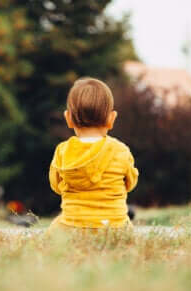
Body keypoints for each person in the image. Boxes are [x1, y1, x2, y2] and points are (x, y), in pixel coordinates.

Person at [48, 78, 139, 232]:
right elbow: (130, 183)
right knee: (127, 227)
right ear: (112, 118)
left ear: (68, 118)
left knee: (54, 230)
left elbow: (56, 186)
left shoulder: (62, 151)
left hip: (73, 228)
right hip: (114, 228)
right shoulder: (121, 151)